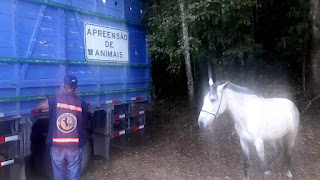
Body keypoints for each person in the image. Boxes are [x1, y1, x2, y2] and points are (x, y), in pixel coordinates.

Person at [36, 75, 88, 180]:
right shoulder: (82, 103)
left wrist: (48, 101)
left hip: (57, 145)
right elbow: (82, 119)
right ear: (76, 86)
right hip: (74, 146)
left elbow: (39, 107)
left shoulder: (55, 100)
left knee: (58, 175)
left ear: (64, 86)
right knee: (74, 174)